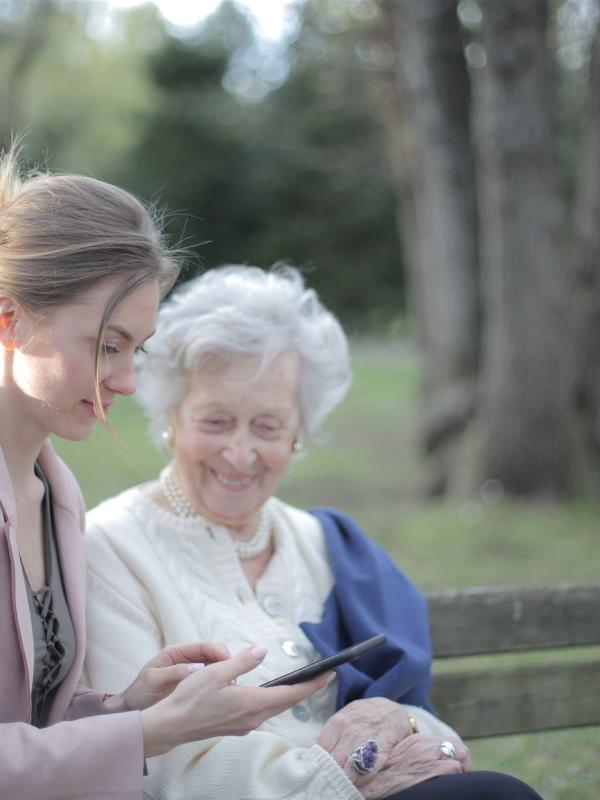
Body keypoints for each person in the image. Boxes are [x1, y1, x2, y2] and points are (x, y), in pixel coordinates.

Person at [84, 265, 544, 800]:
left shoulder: (327, 544)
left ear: (299, 432)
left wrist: (399, 722)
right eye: (215, 421)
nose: (240, 453)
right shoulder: (111, 547)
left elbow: (431, 730)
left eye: (268, 426)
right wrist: (340, 778)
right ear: (171, 418)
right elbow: (160, 763)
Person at [0, 151, 332, 800]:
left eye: (137, 350)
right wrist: (149, 733)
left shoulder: (55, 495)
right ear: (9, 318)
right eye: (106, 345)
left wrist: (128, 706)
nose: (125, 381)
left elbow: (28, 723)